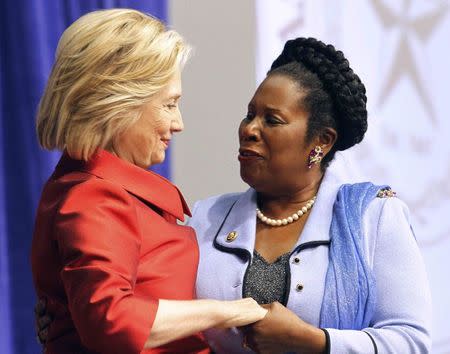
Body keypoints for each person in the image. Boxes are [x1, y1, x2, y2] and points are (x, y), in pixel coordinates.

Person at [30, 9, 266, 354]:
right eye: (169, 104)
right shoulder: (95, 197)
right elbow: (112, 321)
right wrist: (228, 311)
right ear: (120, 104)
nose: (179, 123)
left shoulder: (92, 188)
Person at [190, 37, 432, 353]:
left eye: (272, 120)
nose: (249, 129)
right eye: (250, 115)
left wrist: (312, 341)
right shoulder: (205, 218)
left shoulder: (375, 217)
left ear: (321, 142)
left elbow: (411, 342)